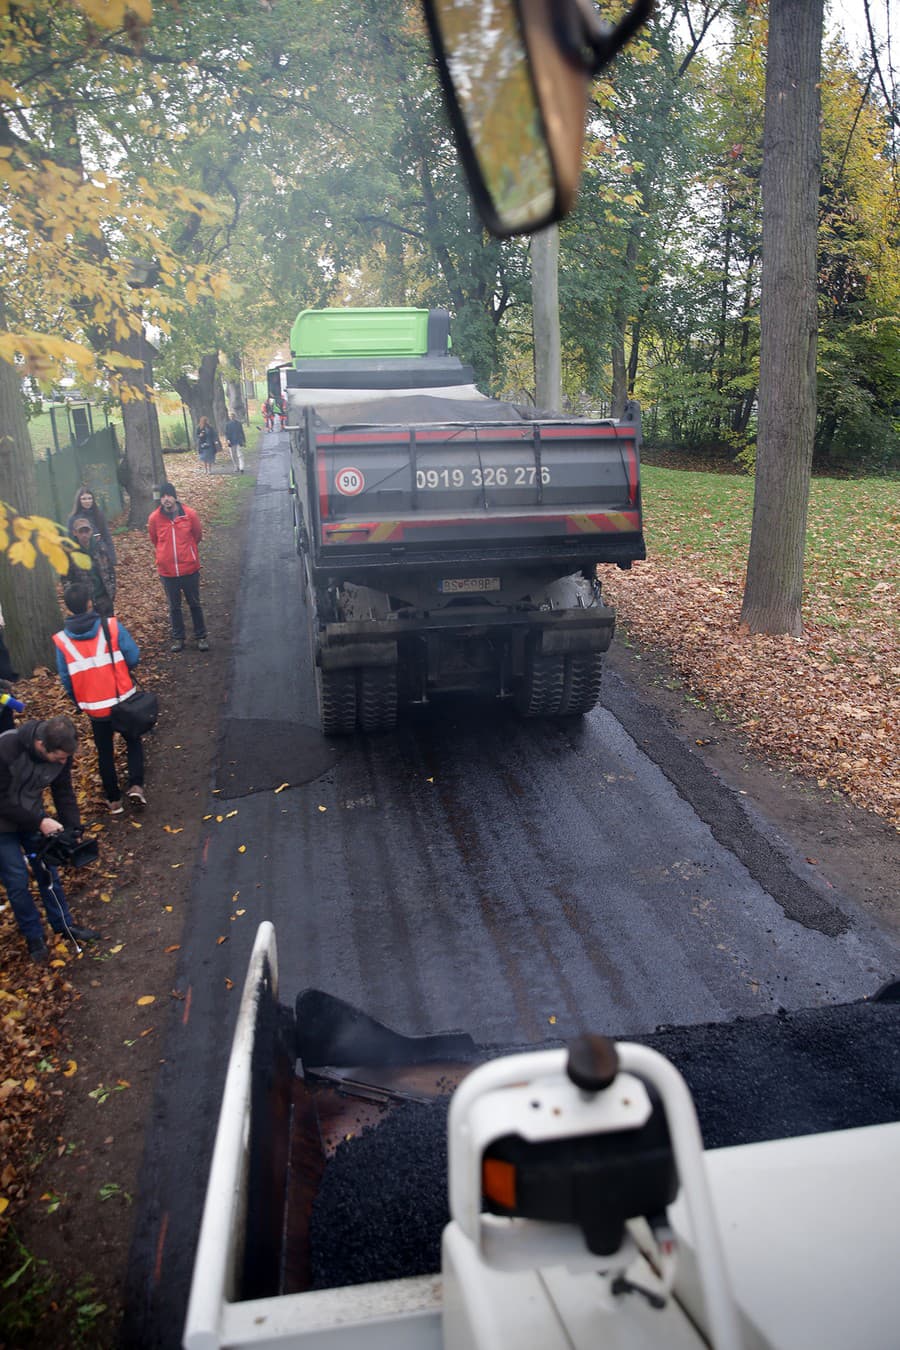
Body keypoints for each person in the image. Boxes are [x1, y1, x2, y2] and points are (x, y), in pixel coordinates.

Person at [0, 714, 99, 964]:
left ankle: (63, 925)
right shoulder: (7, 748)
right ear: (41, 745)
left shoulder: (61, 754)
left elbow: (63, 791)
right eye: (59, 757)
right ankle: (34, 936)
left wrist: (73, 829)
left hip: (32, 816)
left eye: (67, 757)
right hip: (3, 825)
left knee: (47, 870)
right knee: (17, 881)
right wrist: (40, 822)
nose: (64, 762)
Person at [53, 582, 147, 815]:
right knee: (133, 740)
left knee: (104, 751)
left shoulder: (62, 641)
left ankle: (114, 800)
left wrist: (78, 700)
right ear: (89, 603)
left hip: (94, 707)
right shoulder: (111, 627)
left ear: (68, 608)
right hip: (122, 699)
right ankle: (136, 785)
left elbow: (66, 677)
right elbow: (133, 656)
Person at [147, 481, 208, 653]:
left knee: (194, 604)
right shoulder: (154, 518)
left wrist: (188, 553)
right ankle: (178, 638)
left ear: (175, 496)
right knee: (174, 606)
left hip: (189, 568)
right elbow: (154, 540)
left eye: (169, 495)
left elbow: (197, 536)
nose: (166, 499)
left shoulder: (190, 514)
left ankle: (201, 636)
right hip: (167, 572)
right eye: (163, 496)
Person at [68, 516, 116, 617]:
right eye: (81, 532)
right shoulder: (71, 553)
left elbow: (110, 570)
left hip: (104, 597)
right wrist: (76, 600)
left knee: (109, 628)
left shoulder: (100, 547)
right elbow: (67, 579)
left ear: (91, 532)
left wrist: (111, 591)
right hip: (85, 603)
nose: (84, 535)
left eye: (87, 531)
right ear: (75, 533)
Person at [67, 485, 116, 565]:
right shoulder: (73, 518)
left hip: (101, 555)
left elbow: (106, 536)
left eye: (90, 498)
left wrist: (112, 557)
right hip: (83, 556)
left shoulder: (99, 515)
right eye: (84, 499)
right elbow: (70, 540)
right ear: (79, 501)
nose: (87, 501)